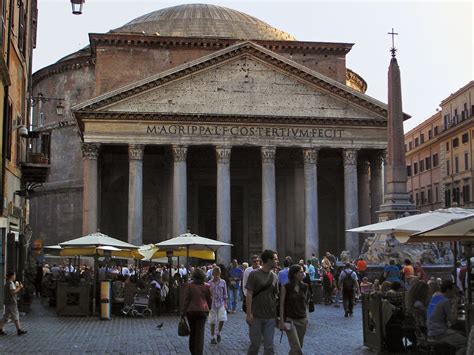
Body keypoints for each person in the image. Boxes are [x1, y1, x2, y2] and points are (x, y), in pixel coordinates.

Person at [246, 249, 279, 355]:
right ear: (269, 260)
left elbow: (275, 296)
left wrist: (277, 315)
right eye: (275, 259)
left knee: (269, 347)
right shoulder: (254, 274)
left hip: (270, 316)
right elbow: (249, 294)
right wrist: (249, 313)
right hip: (256, 316)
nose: (277, 261)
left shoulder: (274, 276)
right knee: (255, 346)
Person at [427, 280, 466, 355]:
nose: (454, 294)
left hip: (431, 331)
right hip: (440, 333)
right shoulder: (445, 301)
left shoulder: (435, 297)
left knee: (460, 333)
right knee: (466, 342)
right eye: (453, 291)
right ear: (448, 290)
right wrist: (455, 303)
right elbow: (453, 321)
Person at [279, 264, 309, 355]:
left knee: (297, 347)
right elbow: (281, 304)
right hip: (290, 320)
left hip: (302, 319)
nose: (303, 274)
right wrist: (281, 320)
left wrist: (307, 317)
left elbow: (305, 303)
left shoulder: (305, 286)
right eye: (301, 272)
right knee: (297, 348)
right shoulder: (286, 287)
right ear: (295, 274)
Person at [181, 268, 212, 355]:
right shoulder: (206, 286)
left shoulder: (189, 286)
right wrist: (209, 308)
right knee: (200, 333)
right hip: (202, 310)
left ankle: (193, 351)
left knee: (193, 332)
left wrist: (183, 312)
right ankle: (198, 352)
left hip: (191, 311)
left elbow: (186, 300)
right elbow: (209, 299)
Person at [0, 272, 27, 336]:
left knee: (6, 317)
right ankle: (19, 330)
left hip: (8, 302)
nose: (15, 276)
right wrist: (20, 287)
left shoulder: (7, 283)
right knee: (15, 316)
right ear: (12, 276)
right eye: (14, 275)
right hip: (12, 302)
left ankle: (0, 329)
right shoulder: (10, 283)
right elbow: (13, 292)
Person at [207, 266, 227, 344]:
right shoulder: (209, 283)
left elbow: (225, 293)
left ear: (220, 273)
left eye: (218, 273)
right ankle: (212, 337)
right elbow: (207, 294)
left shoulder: (223, 282)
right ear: (213, 274)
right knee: (212, 321)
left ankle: (218, 332)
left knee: (222, 319)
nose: (216, 275)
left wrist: (225, 303)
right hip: (212, 304)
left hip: (221, 303)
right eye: (215, 273)